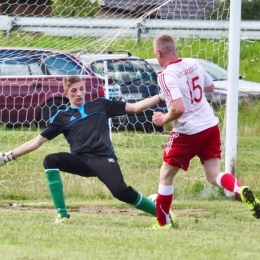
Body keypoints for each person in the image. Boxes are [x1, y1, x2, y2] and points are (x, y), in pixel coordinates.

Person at [0, 75, 179, 227]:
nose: (79, 94)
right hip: (81, 161)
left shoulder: (100, 105)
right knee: (51, 160)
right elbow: (37, 142)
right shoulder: (61, 117)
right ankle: (62, 215)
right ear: (66, 94)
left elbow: (136, 107)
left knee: (121, 192)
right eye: (74, 91)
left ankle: (162, 214)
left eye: (81, 89)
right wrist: (7, 157)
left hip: (103, 159)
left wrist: (160, 96)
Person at [151, 33, 260, 230]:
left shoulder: (166, 76)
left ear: (158, 53)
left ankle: (162, 223)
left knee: (166, 176)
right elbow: (209, 86)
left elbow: (178, 109)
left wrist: (163, 118)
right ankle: (239, 189)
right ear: (175, 49)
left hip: (188, 131)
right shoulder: (193, 63)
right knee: (213, 175)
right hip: (209, 125)